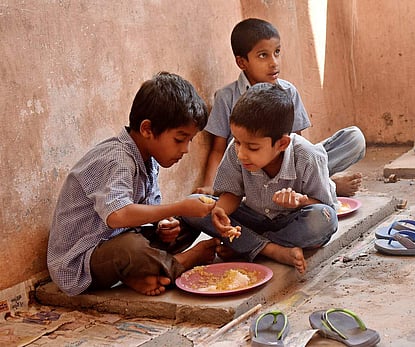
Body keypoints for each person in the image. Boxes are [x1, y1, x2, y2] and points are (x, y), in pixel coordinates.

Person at [47, 72, 219, 297]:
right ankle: (182, 262)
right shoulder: (116, 159)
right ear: (147, 129)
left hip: (122, 239)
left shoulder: (149, 159)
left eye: (190, 140)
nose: (185, 149)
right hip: (83, 262)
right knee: (132, 250)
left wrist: (163, 224)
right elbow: (118, 215)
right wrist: (177, 207)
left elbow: (145, 214)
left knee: (191, 217)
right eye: (179, 139)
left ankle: (140, 275)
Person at [195, 18, 365, 197]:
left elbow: (297, 144)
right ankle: (327, 187)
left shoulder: (288, 91)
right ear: (242, 62)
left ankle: (316, 183)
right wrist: (209, 186)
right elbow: (217, 149)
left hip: (287, 170)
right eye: (263, 55)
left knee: (354, 138)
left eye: (277, 52)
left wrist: (312, 167)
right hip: (248, 172)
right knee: (199, 201)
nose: (274, 62)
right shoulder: (226, 97)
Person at [184, 83, 339, 274]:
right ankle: (271, 250)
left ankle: (246, 246)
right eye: (238, 142)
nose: (241, 153)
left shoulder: (308, 156)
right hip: (253, 217)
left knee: (324, 220)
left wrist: (300, 201)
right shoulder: (237, 150)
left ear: (282, 143)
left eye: (253, 147)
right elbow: (232, 194)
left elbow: (325, 205)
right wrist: (219, 212)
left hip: (289, 222)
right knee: (192, 205)